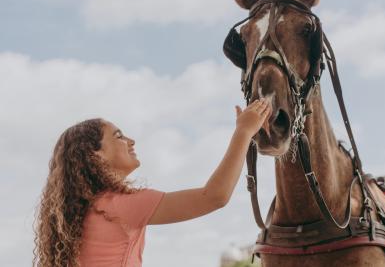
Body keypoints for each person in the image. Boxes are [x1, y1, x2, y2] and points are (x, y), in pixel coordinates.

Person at [32, 98, 271, 267]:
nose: (131, 141)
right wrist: (243, 132)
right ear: (96, 155)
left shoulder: (83, 212)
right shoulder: (118, 206)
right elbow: (214, 196)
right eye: (118, 136)